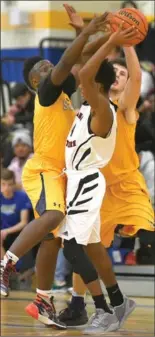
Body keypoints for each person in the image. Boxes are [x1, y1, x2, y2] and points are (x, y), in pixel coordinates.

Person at [0, 13, 109, 329]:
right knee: (53, 218)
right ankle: (6, 263)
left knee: (51, 239)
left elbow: (80, 63)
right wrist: (85, 33)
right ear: (35, 81)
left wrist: (101, 37)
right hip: (45, 169)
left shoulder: (62, 95)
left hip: (63, 175)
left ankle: (43, 300)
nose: (52, 70)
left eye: (50, 67)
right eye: (44, 70)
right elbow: (64, 66)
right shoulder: (46, 94)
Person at [58, 5, 154, 331]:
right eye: (116, 72)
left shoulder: (124, 109)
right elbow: (87, 70)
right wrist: (80, 32)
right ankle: (81, 303)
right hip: (97, 187)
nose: (120, 75)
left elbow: (131, 75)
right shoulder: (91, 105)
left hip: (126, 185)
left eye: (124, 74)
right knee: (85, 247)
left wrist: (126, 42)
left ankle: (103, 304)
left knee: (147, 236)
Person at [0, 169, 31, 259]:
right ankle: (5, 269)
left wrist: (6, 231)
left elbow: (24, 222)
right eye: (3, 184)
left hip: (17, 233)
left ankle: (4, 269)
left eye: (10, 184)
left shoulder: (22, 196)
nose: (6, 188)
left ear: (14, 184)